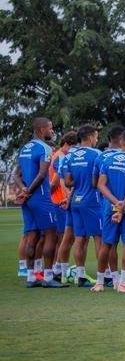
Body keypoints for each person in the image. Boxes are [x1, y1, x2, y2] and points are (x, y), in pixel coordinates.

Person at [13, 117, 68, 288]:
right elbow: (43, 174)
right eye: (50, 128)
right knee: (51, 234)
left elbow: (16, 174)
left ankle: (31, 278)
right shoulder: (44, 148)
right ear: (42, 129)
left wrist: (23, 190)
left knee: (32, 236)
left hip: (28, 200)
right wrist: (28, 191)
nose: (52, 131)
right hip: (41, 197)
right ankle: (48, 277)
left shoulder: (25, 148)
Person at [92, 128, 125, 293]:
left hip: (109, 206)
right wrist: (123, 204)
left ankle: (100, 282)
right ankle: (123, 283)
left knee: (107, 243)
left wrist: (115, 202)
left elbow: (100, 185)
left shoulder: (107, 159)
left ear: (121, 142)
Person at [64, 124, 102, 287]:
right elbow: (98, 180)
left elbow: (67, 182)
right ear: (91, 137)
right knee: (99, 237)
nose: (97, 140)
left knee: (80, 238)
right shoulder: (96, 154)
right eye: (96, 137)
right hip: (91, 201)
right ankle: (104, 276)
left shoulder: (70, 156)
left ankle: (80, 275)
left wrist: (79, 181)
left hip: (76, 200)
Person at [49, 131, 78, 279]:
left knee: (64, 237)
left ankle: (57, 268)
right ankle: (57, 268)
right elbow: (56, 181)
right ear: (66, 144)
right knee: (63, 237)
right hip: (60, 201)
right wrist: (66, 196)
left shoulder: (59, 156)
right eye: (73, 146)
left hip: (61, 200)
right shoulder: (60, 157)